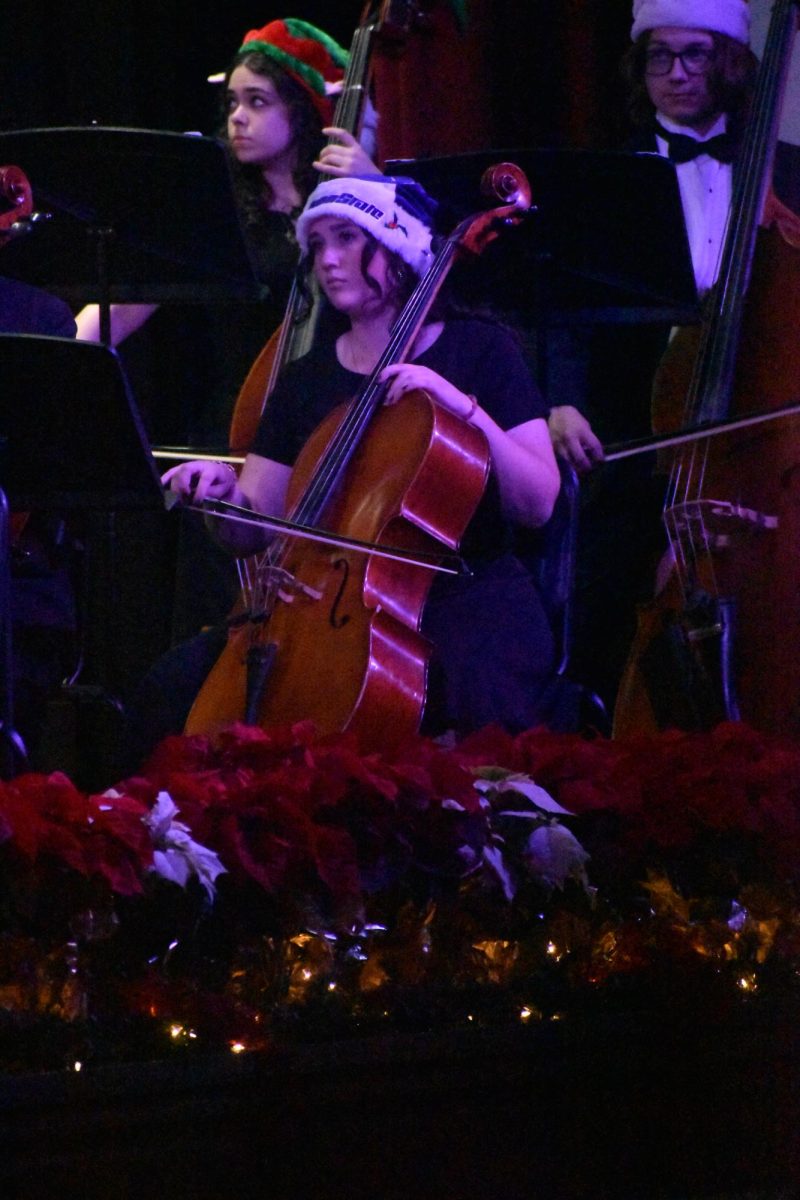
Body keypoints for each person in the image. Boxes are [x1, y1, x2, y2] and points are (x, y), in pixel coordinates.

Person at [154, 175, 574, 749]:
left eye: (347, 238)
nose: (328, 259)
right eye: (318, 244)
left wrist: (457, 406)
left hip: (463, 601)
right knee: (171, 690)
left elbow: (537, 502)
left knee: (458, 708)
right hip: (321, 607)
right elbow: (253, 528)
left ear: (399, 247)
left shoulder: (480, 351)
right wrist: (221, 496)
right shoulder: (305, 381)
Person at [543, 0, 800, 716]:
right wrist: (557, 405)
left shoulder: (792, 177)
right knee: (607, 619)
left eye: (694, 55)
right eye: (659, 57)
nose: (676, 74)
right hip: (629, 442)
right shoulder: (606, 178)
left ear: (731, 62)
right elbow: (565, 311)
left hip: (756, 439)